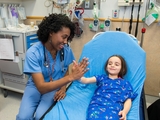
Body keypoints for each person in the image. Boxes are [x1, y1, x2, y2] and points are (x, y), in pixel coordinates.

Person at [16, 13, 89, 120]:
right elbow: (41, 87)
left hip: (55, 86)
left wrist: (63, 88)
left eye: (67, 38)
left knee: (42, 116)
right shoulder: (33, 53)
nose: (65, 42)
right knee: (23, 117)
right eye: (63, 37)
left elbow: (65, 71)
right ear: (51, 33)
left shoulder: (66, 50)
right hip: (36, 87)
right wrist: (71, 77)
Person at [80, 55, 137, 120]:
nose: (112, 65)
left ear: (122, 69)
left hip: (114, 109)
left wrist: (124, 112)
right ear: (106, 67)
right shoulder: (101, 78)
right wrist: (78, 75)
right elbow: (85, 80)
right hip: (97, 106)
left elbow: (128, 99)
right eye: (110, 63)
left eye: (116, 64)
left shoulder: (125, 83)